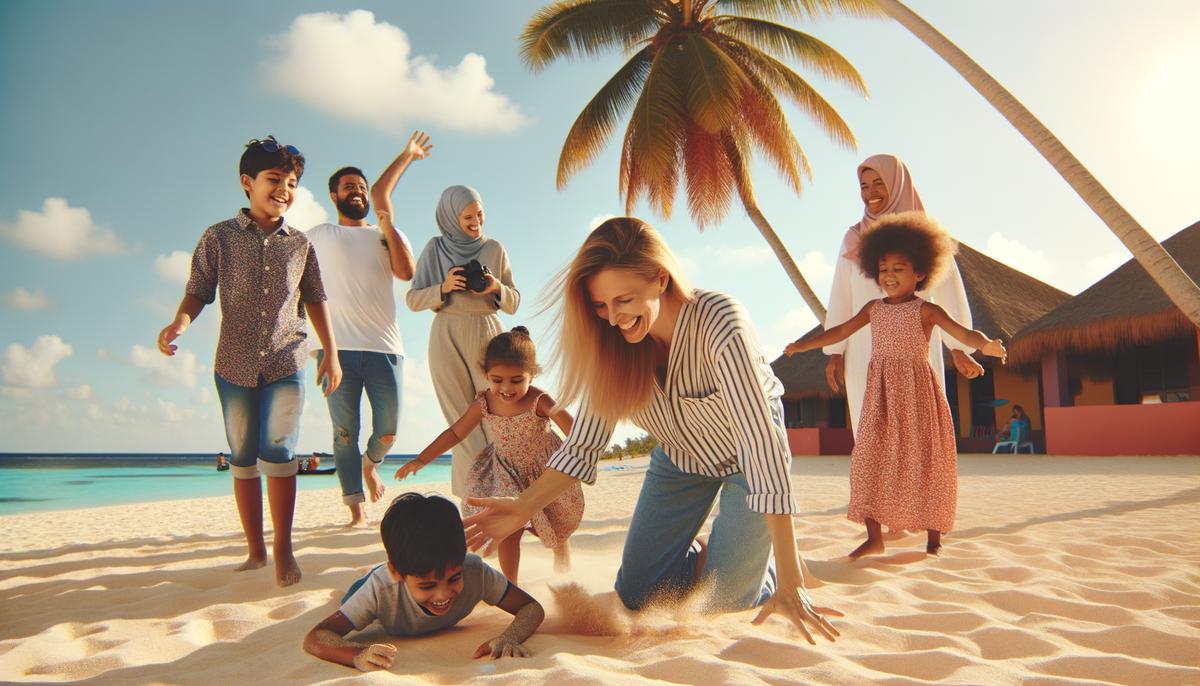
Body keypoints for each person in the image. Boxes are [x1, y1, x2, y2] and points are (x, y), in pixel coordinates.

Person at [463, 218, 840, 644]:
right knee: (638, 595)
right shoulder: (613, 347)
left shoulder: (721, 323)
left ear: (660, 278)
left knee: (728, 601)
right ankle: (709, 554)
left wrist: (792, 583)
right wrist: (520, 507)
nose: (613, 319)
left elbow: (764, 445)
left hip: (749, 463)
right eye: (601, 306)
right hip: (679, 459)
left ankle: (765, 562)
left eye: (623, 299)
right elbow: (583, 446)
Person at [157, 136, 342, 587]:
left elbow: (315, 298)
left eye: (292, 182)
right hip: (234, 364)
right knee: (242, 458)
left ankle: (283, 550)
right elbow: (199, 289)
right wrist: (179, 323)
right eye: (274, 179)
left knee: (279, 455)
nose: (284, 189)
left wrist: (331, 353)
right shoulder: (217, 237)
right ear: (248, 182)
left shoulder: (300, 245)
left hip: (287, 359)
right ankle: (256, 550)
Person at [786, 212, 1007, 559]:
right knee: (868, 458)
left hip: (918, 392)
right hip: (881, 394)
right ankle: (874, 536)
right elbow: (840, 331)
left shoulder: (926, 310)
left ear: (920, 272)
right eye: (883, 269)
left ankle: (934, 538)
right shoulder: (874, 308)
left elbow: (964, 334)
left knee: (927, 459)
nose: (889, 276)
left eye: (898, 269)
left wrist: (987, 346)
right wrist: (805, 346)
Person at [306, 131, 430, 526]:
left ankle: (370, 463)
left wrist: (388, 221)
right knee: (344, 432)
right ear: (334, 196)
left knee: (389, 430)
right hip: (335, 351)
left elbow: (406, 272)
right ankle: (355, 510)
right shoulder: (320, 235)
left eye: (361, 186)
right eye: (348, 187)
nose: (356, 191)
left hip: (385, 347)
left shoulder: (385, 234)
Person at [396, 326, 583, 583]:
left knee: (552, 521)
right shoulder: (484, 402)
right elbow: (455, 433)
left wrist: (576, 460)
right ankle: (511, 584)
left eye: (517, 380)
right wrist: (422, 459)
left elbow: (578, 433)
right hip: (505, 469)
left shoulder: (540, 400)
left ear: (532, 374)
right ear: (485, 374)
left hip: (544, 468)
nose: (506, 388)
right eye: (497, 380)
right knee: (509, 528)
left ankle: (562, 558)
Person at [823, 154, 983, 437]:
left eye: (878, 183)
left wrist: (959, 349)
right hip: (864, 353)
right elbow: (841, 296)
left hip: (917, 356)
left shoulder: (925, 235)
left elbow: (949, 293)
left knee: (918, 436)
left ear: (897, 184)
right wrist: (835, 353)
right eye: (864, 186)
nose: (870, 193)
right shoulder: (852, 239)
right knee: (872, 438)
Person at [302, 493, 545, 671]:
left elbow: (531, 608)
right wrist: (357, 655)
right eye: (427, 586)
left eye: (454, 578)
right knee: (357, 588)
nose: (442, 595)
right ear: (398, 573)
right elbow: (317, 636)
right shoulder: (380, 589)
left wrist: (510, 637)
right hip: (372, 583)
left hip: (397, 573)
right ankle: (370, 571)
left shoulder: (474, 571)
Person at [406, 186, 520, 497]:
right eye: (468, 216)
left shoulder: (495, 248)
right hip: (445, 334)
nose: (476, 221)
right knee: (460, 423)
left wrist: (496, 287)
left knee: (495, 419)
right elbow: (413, 299)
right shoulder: (435, 248)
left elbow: (514, 302)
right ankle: (472, 504)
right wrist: (442, 287)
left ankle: (503, 498)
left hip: (489, 331)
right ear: (451, 218)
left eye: (479, 214)